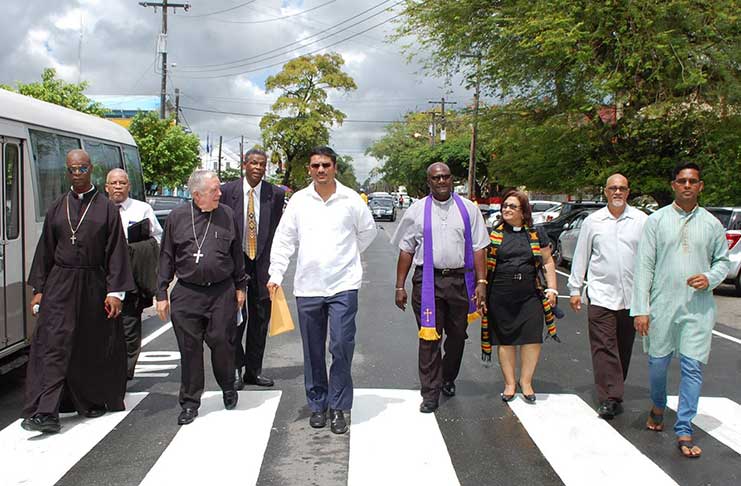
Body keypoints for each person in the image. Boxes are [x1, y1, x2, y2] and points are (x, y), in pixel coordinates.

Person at [21, 149, 135, 434]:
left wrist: (115, 292)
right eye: (72, 170)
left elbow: (116, 253)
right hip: (60, 283)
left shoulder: (106, 208)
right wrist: (39, 289)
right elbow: (46, 249)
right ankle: (46, 410)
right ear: (67, 171)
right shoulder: (58, 206)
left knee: (88, 345)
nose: (77, 174)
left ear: (91, 169)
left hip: (93, 284)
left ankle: (87, 399)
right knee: (53, 342)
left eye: (82, 169)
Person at [268, 146, 377, 435]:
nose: (321, 170)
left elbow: (368, 231)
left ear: (335, 167)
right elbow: (284, 240)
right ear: (309, 169)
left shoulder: (351, 199)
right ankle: (318, 404)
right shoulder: (299, 202)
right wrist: (275, 274)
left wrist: (349, 254)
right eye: (315, 165)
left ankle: (339, 406)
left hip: (344, 286)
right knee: (313, 350)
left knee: (341, 346)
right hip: (308, 287)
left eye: (326, 165)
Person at [631, 161, 729, 458]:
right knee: (658, 365)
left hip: (697, 309)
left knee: (692, 367)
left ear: (700, 186)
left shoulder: (712, 224)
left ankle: (684, 426)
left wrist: (709, 278)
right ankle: (659, 405)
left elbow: (722, 262)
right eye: (682, 181)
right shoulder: (656, 221)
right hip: (662, 306)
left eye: (693, 181)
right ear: (674, 185)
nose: (687, 185)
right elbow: (644, 266)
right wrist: (641, 309)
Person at [391, 163, 489, 413]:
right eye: (436, 178)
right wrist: (399, 286)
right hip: (427, 282)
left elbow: (479, 248)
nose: (442, 181)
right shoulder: (416, 210)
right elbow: (407, 249)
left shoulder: (468, 209)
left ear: (452, 180)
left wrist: (481, 283)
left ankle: (447, 377)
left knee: (457, 337)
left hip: (460, 282)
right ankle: (430, 392)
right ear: (429, 182)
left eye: (446, 177)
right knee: (429, 339)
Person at [156, 170, 247, 425]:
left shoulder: (226, 215)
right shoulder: (177, 218)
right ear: (197, 195)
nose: (220, 194)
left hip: (221, 291)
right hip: (187, 292)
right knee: (189, 349)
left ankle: (228, 385)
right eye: (214, 190)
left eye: (219, 189)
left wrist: (241, 287)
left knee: (222, 342)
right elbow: (166, 256)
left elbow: (236, 255)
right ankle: (189, 402)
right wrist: (161, 291)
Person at [567, 174, 647, 419]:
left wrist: (648, 297)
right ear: (605, 191)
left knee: (622, 347)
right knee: (604, 346)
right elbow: (582, 255)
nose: (617, 192)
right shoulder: (594, 221)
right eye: (613, 188)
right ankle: (610, 396)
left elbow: (648, 260)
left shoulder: (641, 221)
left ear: (628, 192)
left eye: (622, 188)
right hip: (601, 295)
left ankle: (615, 387)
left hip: (631, 297)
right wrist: (574, 289)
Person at [484, 190, 558, 403]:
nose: (506, 209)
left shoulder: (536, 233)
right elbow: (482, 263)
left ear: (524, 211)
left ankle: (526, 382)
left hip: (530, 295)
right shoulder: (494, 233)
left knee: (531, 338)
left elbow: (547, 262)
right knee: (505, 340)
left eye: (512, 206)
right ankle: (509, 384)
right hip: (500, 294)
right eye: (505, 205)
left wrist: (552, 288)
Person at [220, 149, 285, 389]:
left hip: (262, 264)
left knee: (260, 320)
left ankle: (253, 371)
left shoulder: (274, 194)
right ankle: (235, 368)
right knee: (236, 317)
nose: (258, 167)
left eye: (262, 164)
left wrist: (276, 267)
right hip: (235, 262)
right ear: (244, 165)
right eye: (253, 163)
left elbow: (279, 232)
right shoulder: (228, 192)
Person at [105, 168, 163, 380]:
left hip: (132, 280)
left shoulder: (142, 209)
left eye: (122, 183)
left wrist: (137, 249)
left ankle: (123, 375)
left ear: (128, 186)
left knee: (129, 331)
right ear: (107, 187)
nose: (118, 187)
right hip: (105, 281)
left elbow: (157, 239)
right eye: (114, 183)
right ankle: (106, 374)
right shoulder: (99, 209)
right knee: (105, 332)